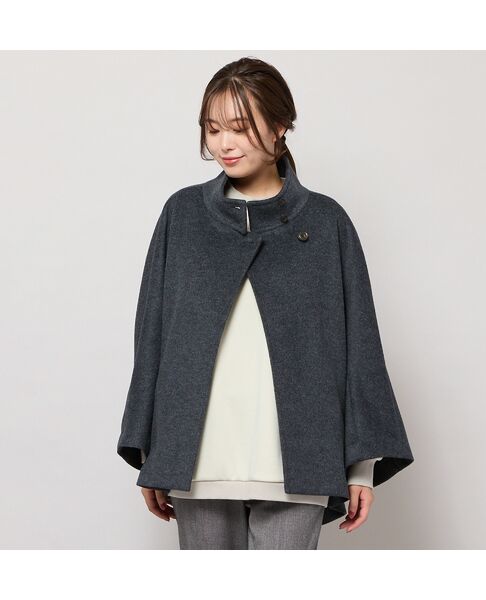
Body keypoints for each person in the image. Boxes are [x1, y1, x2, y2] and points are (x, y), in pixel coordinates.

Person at [118, 57, 414, 550]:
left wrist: (361, 467)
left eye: (239, 127)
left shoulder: (326, 223)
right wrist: (154, 452)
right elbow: (152, 338)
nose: (224, 144)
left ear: (280, 127)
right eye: (213, 129)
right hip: (198, 463)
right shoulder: (182, 216)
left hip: (300, 462)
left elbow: (358, 347)